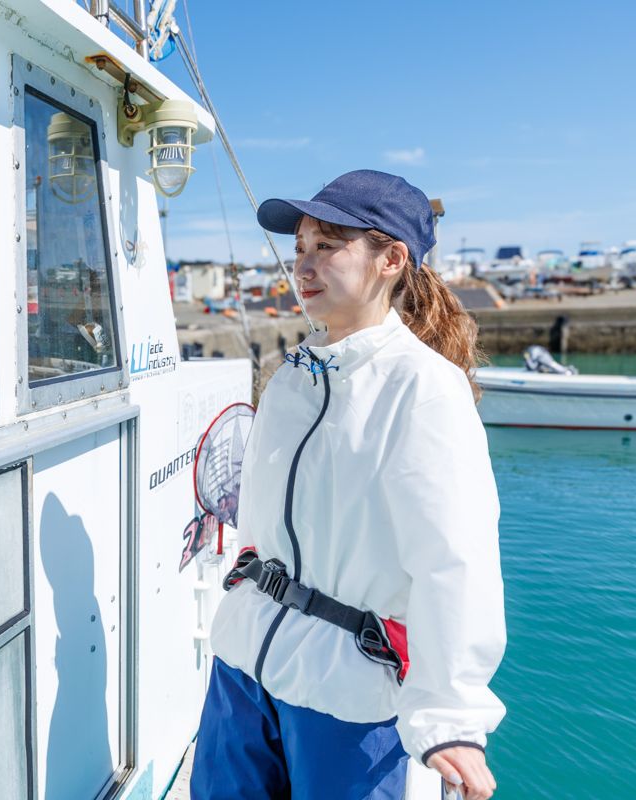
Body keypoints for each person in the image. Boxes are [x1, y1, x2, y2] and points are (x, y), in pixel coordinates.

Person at [191, 170, 505, 799]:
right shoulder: (290, 379)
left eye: (327, 246)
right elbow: (258, 524)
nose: (303, 265)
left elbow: (455, 560)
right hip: (243, 668)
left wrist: (449, 717)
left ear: (391, 259)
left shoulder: (423, 388)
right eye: (300, 247)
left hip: (347, 698)